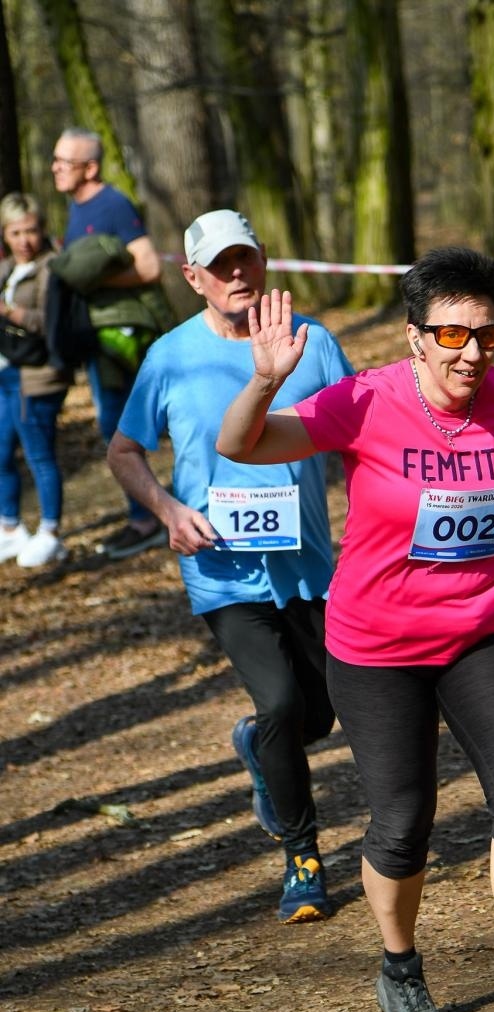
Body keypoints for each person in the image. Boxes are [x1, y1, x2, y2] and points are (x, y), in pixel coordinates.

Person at [216, 246, 494, 1012]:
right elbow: (241, 446)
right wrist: (264, 381)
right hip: (376, 645)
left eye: (487, 337)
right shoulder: (364, 401)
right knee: (403, 819)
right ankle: (399, 965)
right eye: (453, 336)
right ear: (416, 338)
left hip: (486, 628)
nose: (472, 355)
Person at [107, 209, 353, 922]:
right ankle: (303, 860)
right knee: (278, 701)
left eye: (245, 259)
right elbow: (125, 451)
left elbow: (362, 434)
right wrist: (168, 511)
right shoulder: (171, 356)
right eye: (220, 266)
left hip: (308, 566)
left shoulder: (315, 344)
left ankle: (256, 745)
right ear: (193, 279)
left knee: (317, 715)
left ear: (264, 261)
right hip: (221, 571)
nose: (236, 274)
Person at [52, 126, 166, 559]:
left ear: (91, 167)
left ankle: (147, 519)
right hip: (98, 337)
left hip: (122, 336)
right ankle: (142, 514)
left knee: (122, 427)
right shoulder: (76, 206)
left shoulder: (112, 204)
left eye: (65, 162)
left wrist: (96, 280)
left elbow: (150, 266)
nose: (55, 168)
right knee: (114, 426)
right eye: (56, 160)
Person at [0, 192, 72, 567]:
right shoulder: (8, 268)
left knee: (39, 454)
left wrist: (10, 312)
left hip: (39, 376)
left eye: (30, 231)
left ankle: (50, 532)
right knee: (1, 452)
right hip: (8, 373)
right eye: (15, 232)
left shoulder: (50, 268)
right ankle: (10, 528)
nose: (24, 240)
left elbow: (49, 322)